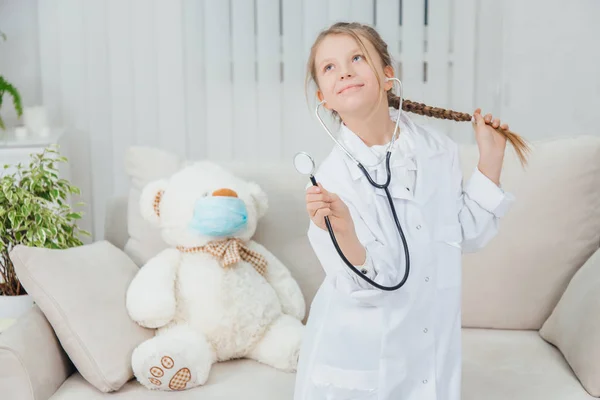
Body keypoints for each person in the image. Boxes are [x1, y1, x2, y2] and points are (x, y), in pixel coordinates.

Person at [294, 22, 530, 400]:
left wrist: (491, 160)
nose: (346, 72)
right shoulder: (329, 183)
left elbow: (464, 234)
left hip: (431, 348)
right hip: (362, 352)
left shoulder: (438, 150)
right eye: (330, 68)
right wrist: (347, 236)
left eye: (357, 58)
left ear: (388, 77)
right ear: (325, 98)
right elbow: (367, 288)